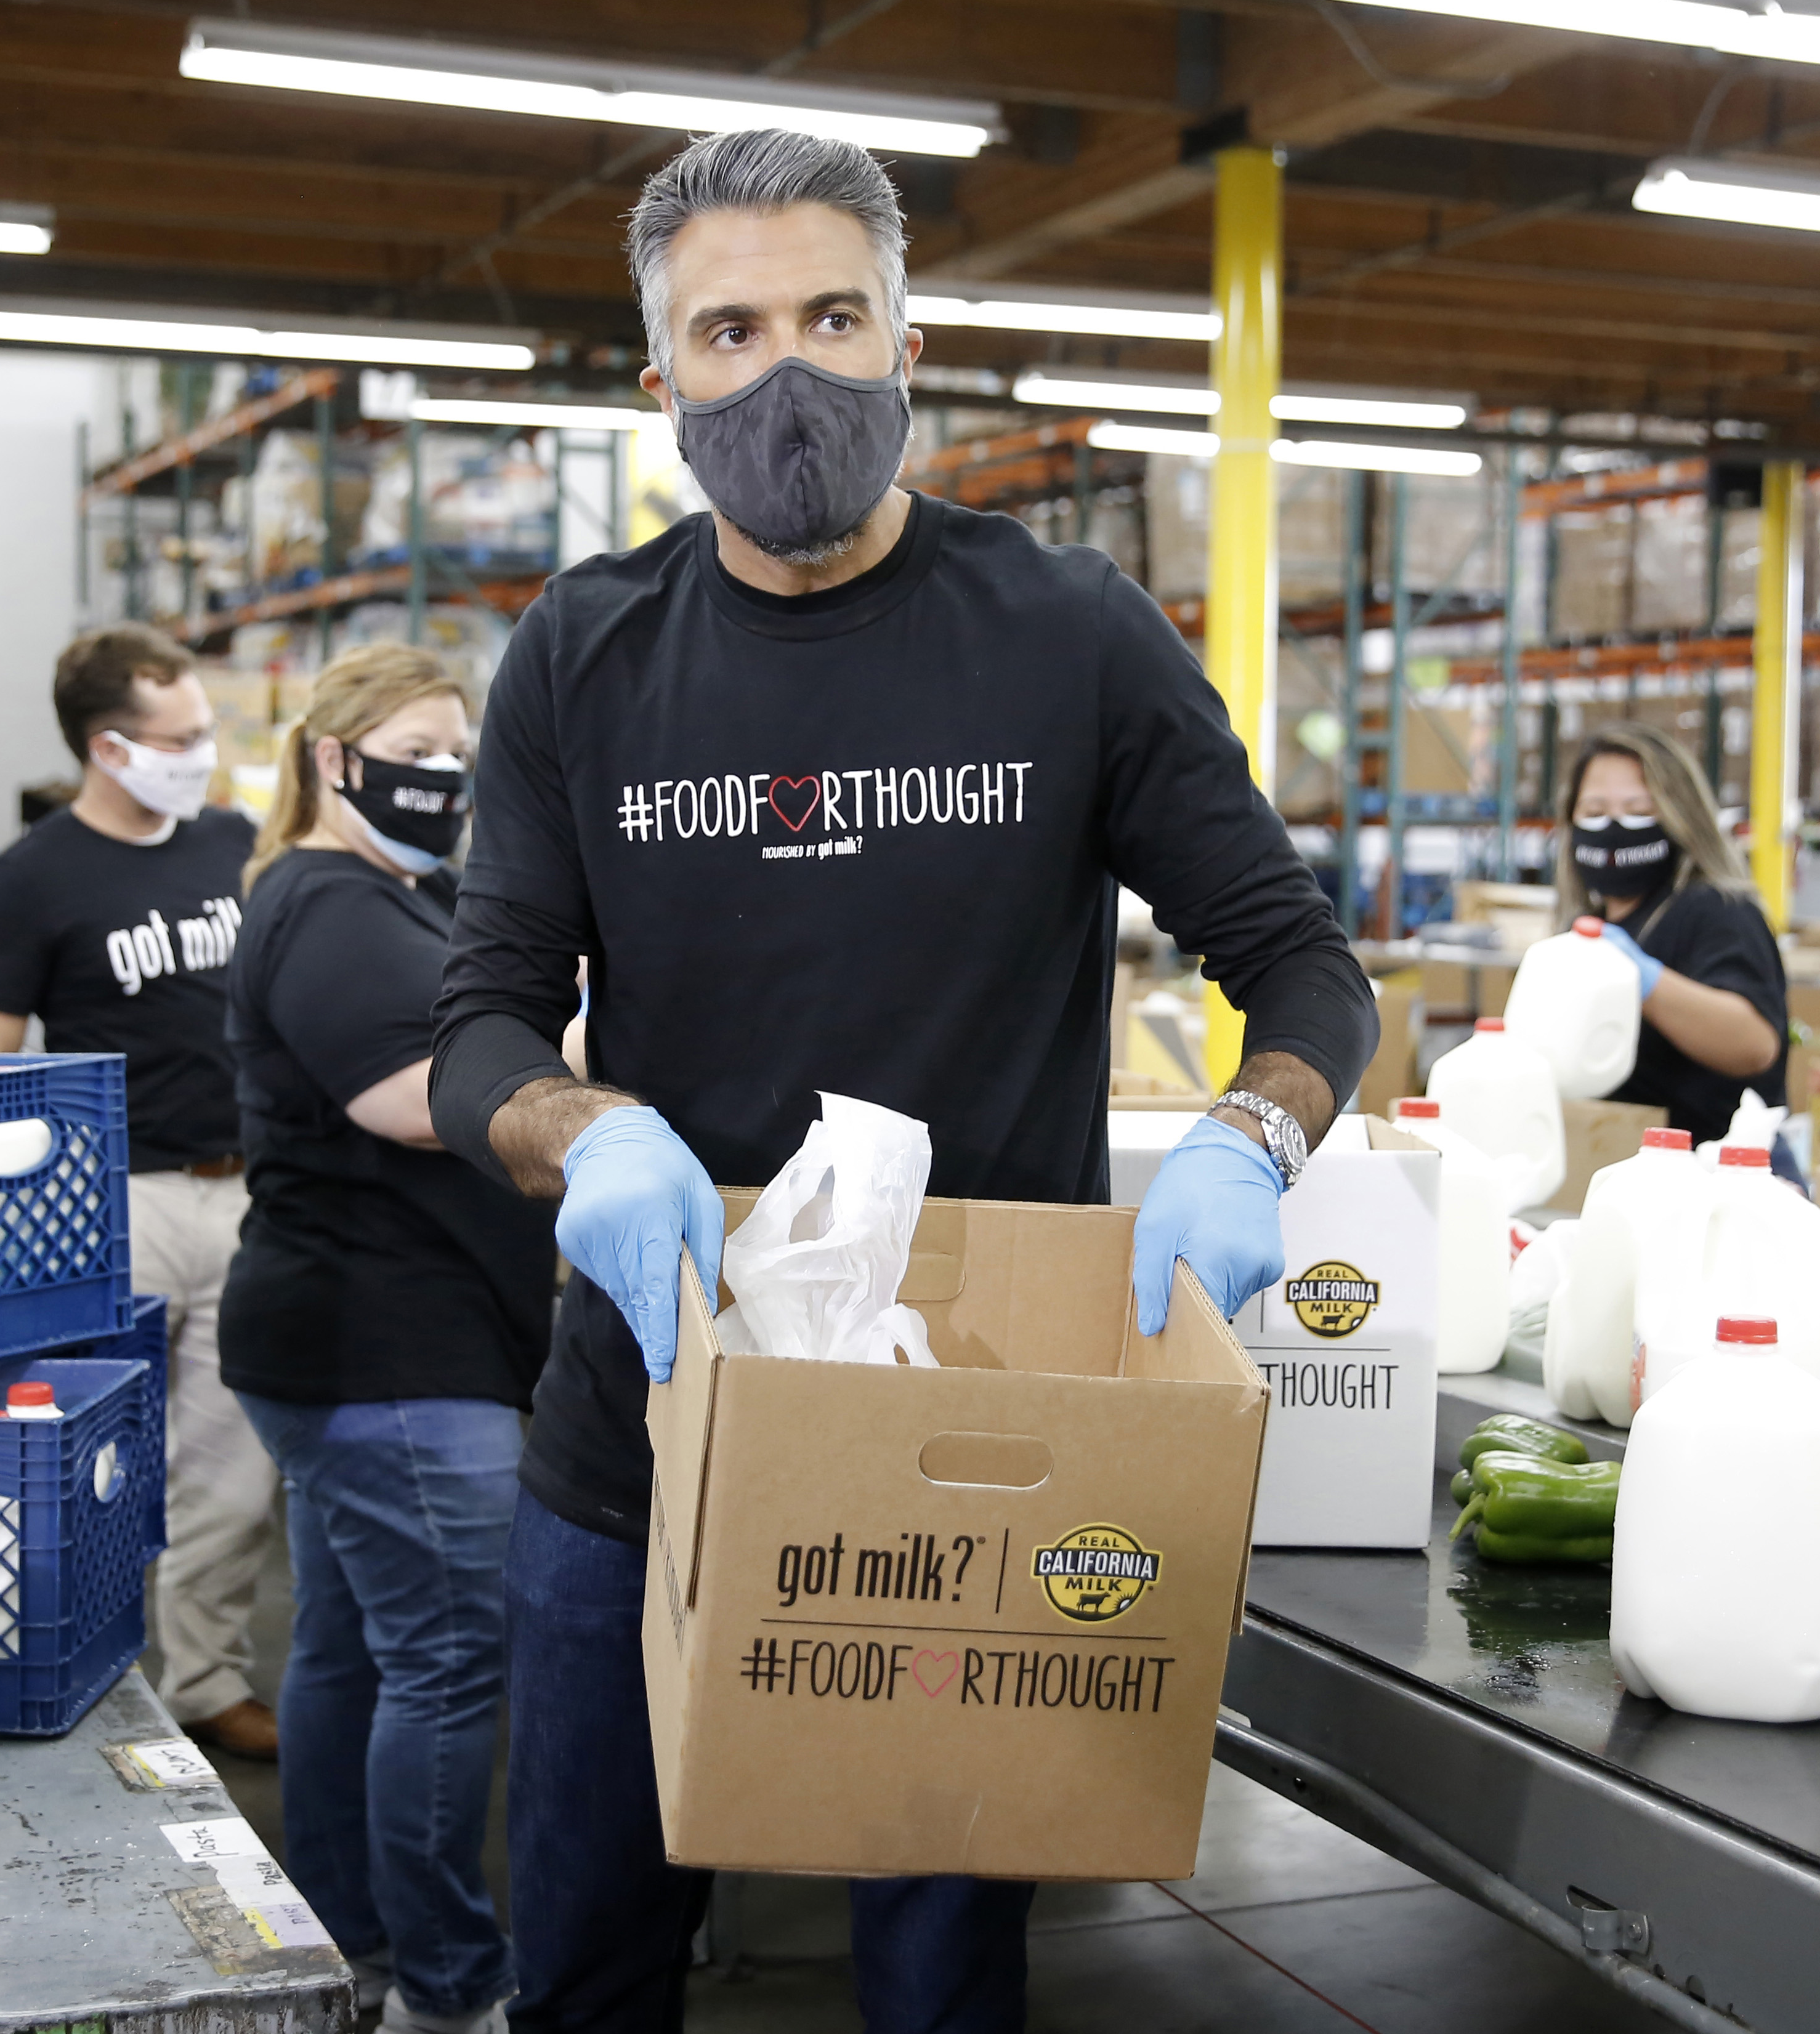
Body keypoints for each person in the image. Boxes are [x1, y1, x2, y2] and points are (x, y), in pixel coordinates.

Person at [429, 127, 1378, 2034]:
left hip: (972, 1449)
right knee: (587, 1965)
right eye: (730, 332)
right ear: (660, 382)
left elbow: (1299, 964)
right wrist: (582, 1130)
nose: (785, 371)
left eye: (831, 318)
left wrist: (1248, 1137)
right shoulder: (582, 655)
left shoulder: (1066, 631)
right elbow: (483, 1028)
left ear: (905, 346)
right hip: (642, 1435)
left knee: (942, 1990)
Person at [217, 646, 551, 2034]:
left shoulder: (397, 895)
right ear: (331, 758)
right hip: (385, 1348)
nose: (444, 777)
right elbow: (413, 1100)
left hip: (358, 1342)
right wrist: (589, 1101)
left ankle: (347, 1938)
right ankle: (449, 1982)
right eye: (415, 750)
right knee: (450, 1661)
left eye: (456, 753)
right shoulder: (328, 902)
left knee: (354, 1649)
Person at [0, 626, 284, 1759]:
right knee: (94, 1462)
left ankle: (205, 1679)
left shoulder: (235, 844)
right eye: (178, 739)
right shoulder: (31, 878)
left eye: (203, 733)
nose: (202, 756)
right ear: (109, 747)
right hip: (115, 1207)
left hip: (246, 1194)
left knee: (231, 1471)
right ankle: (75, 1671)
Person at [1558, 720, 1789, 1146]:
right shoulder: (1595, 923)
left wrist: (1642, 979)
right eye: (1594, 812)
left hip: (1710, 1167)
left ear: (1681, 815)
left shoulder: (1716, 910)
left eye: (1639, 811)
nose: (1613, 827)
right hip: (1613, 1154)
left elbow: (1755, 1045)